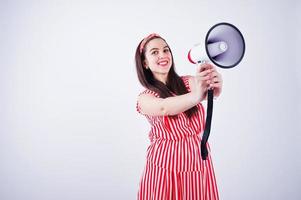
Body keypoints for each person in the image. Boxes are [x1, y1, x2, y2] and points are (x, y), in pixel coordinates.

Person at [135, 33, 222, 200]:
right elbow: (163, 107)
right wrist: (196, 96)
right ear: (144, 63)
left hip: (196, 162)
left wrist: (216, 83)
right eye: (154, 52)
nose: (163, 55)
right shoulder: (145, 98)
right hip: (164, 166)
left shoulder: (188, 83)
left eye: (166, 50)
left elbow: (208, 90)